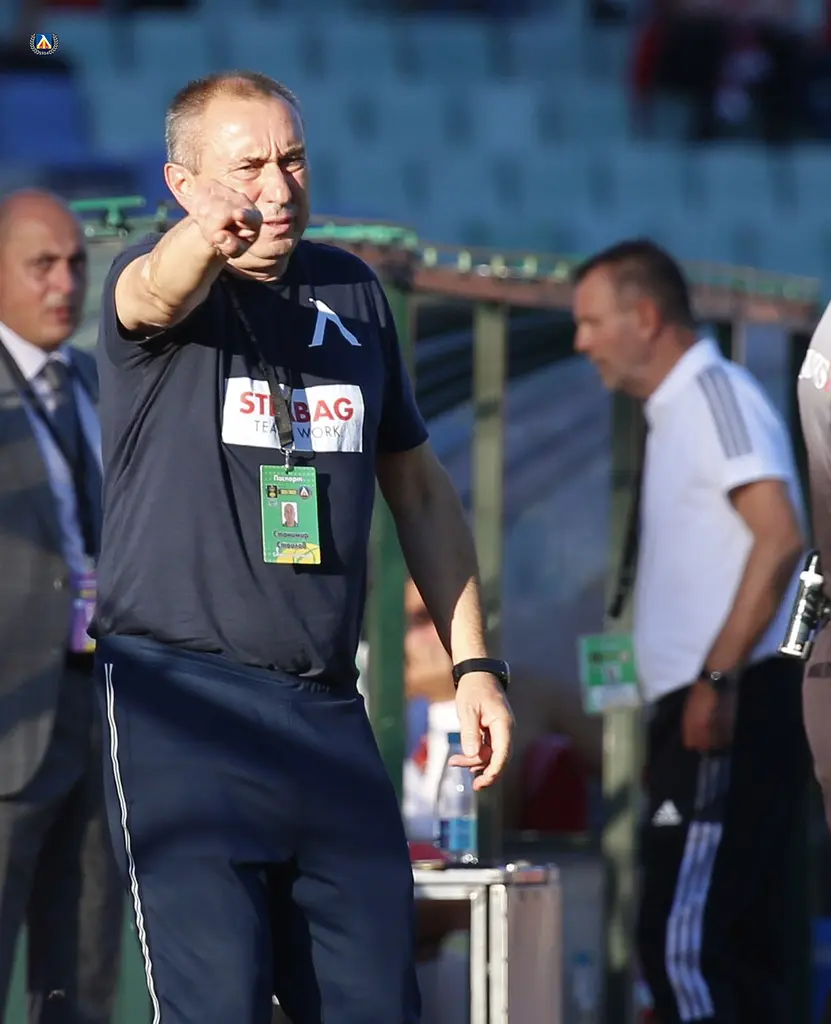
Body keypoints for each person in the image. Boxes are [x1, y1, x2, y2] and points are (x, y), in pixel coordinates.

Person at [92, 70, 513, 1024]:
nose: (277, 189)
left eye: (293, 160)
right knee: (217, 1005)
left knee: (377, 1001)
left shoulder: (351, 291)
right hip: (181, 706)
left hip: (325, 709)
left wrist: (474, 666)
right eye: (247, 168)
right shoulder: (154, 281)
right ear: (182, 184)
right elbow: (151, 294)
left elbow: (419, 489)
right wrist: (203, 237)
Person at [573, 238, 809, 1024]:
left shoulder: (712, 393)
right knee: (733, 942)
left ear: (644, 317)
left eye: (590, 322)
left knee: (679, 941)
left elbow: (779, 536)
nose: (579, 342)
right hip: (708, 704)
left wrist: (714, 680)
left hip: (728, 702)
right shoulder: (677, 410)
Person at [0, 189, 123, 1022]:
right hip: (13, 719)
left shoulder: (90, 380)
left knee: (81, 974)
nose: (66, 283)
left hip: (98, 714)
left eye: (76, 264)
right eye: (41, 264)